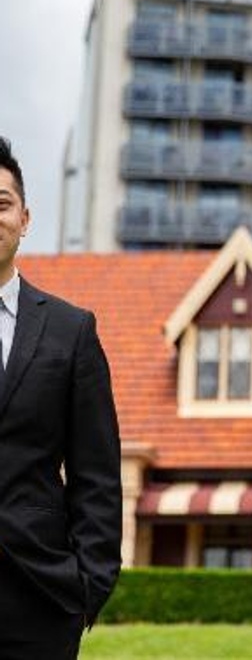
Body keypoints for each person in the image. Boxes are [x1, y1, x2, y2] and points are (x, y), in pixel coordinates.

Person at [0, 137, 121, 659]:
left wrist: (87, 588)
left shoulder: (71, 332)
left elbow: (98, 474)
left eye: (2, 204)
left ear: (24, 218)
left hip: (39, 598)